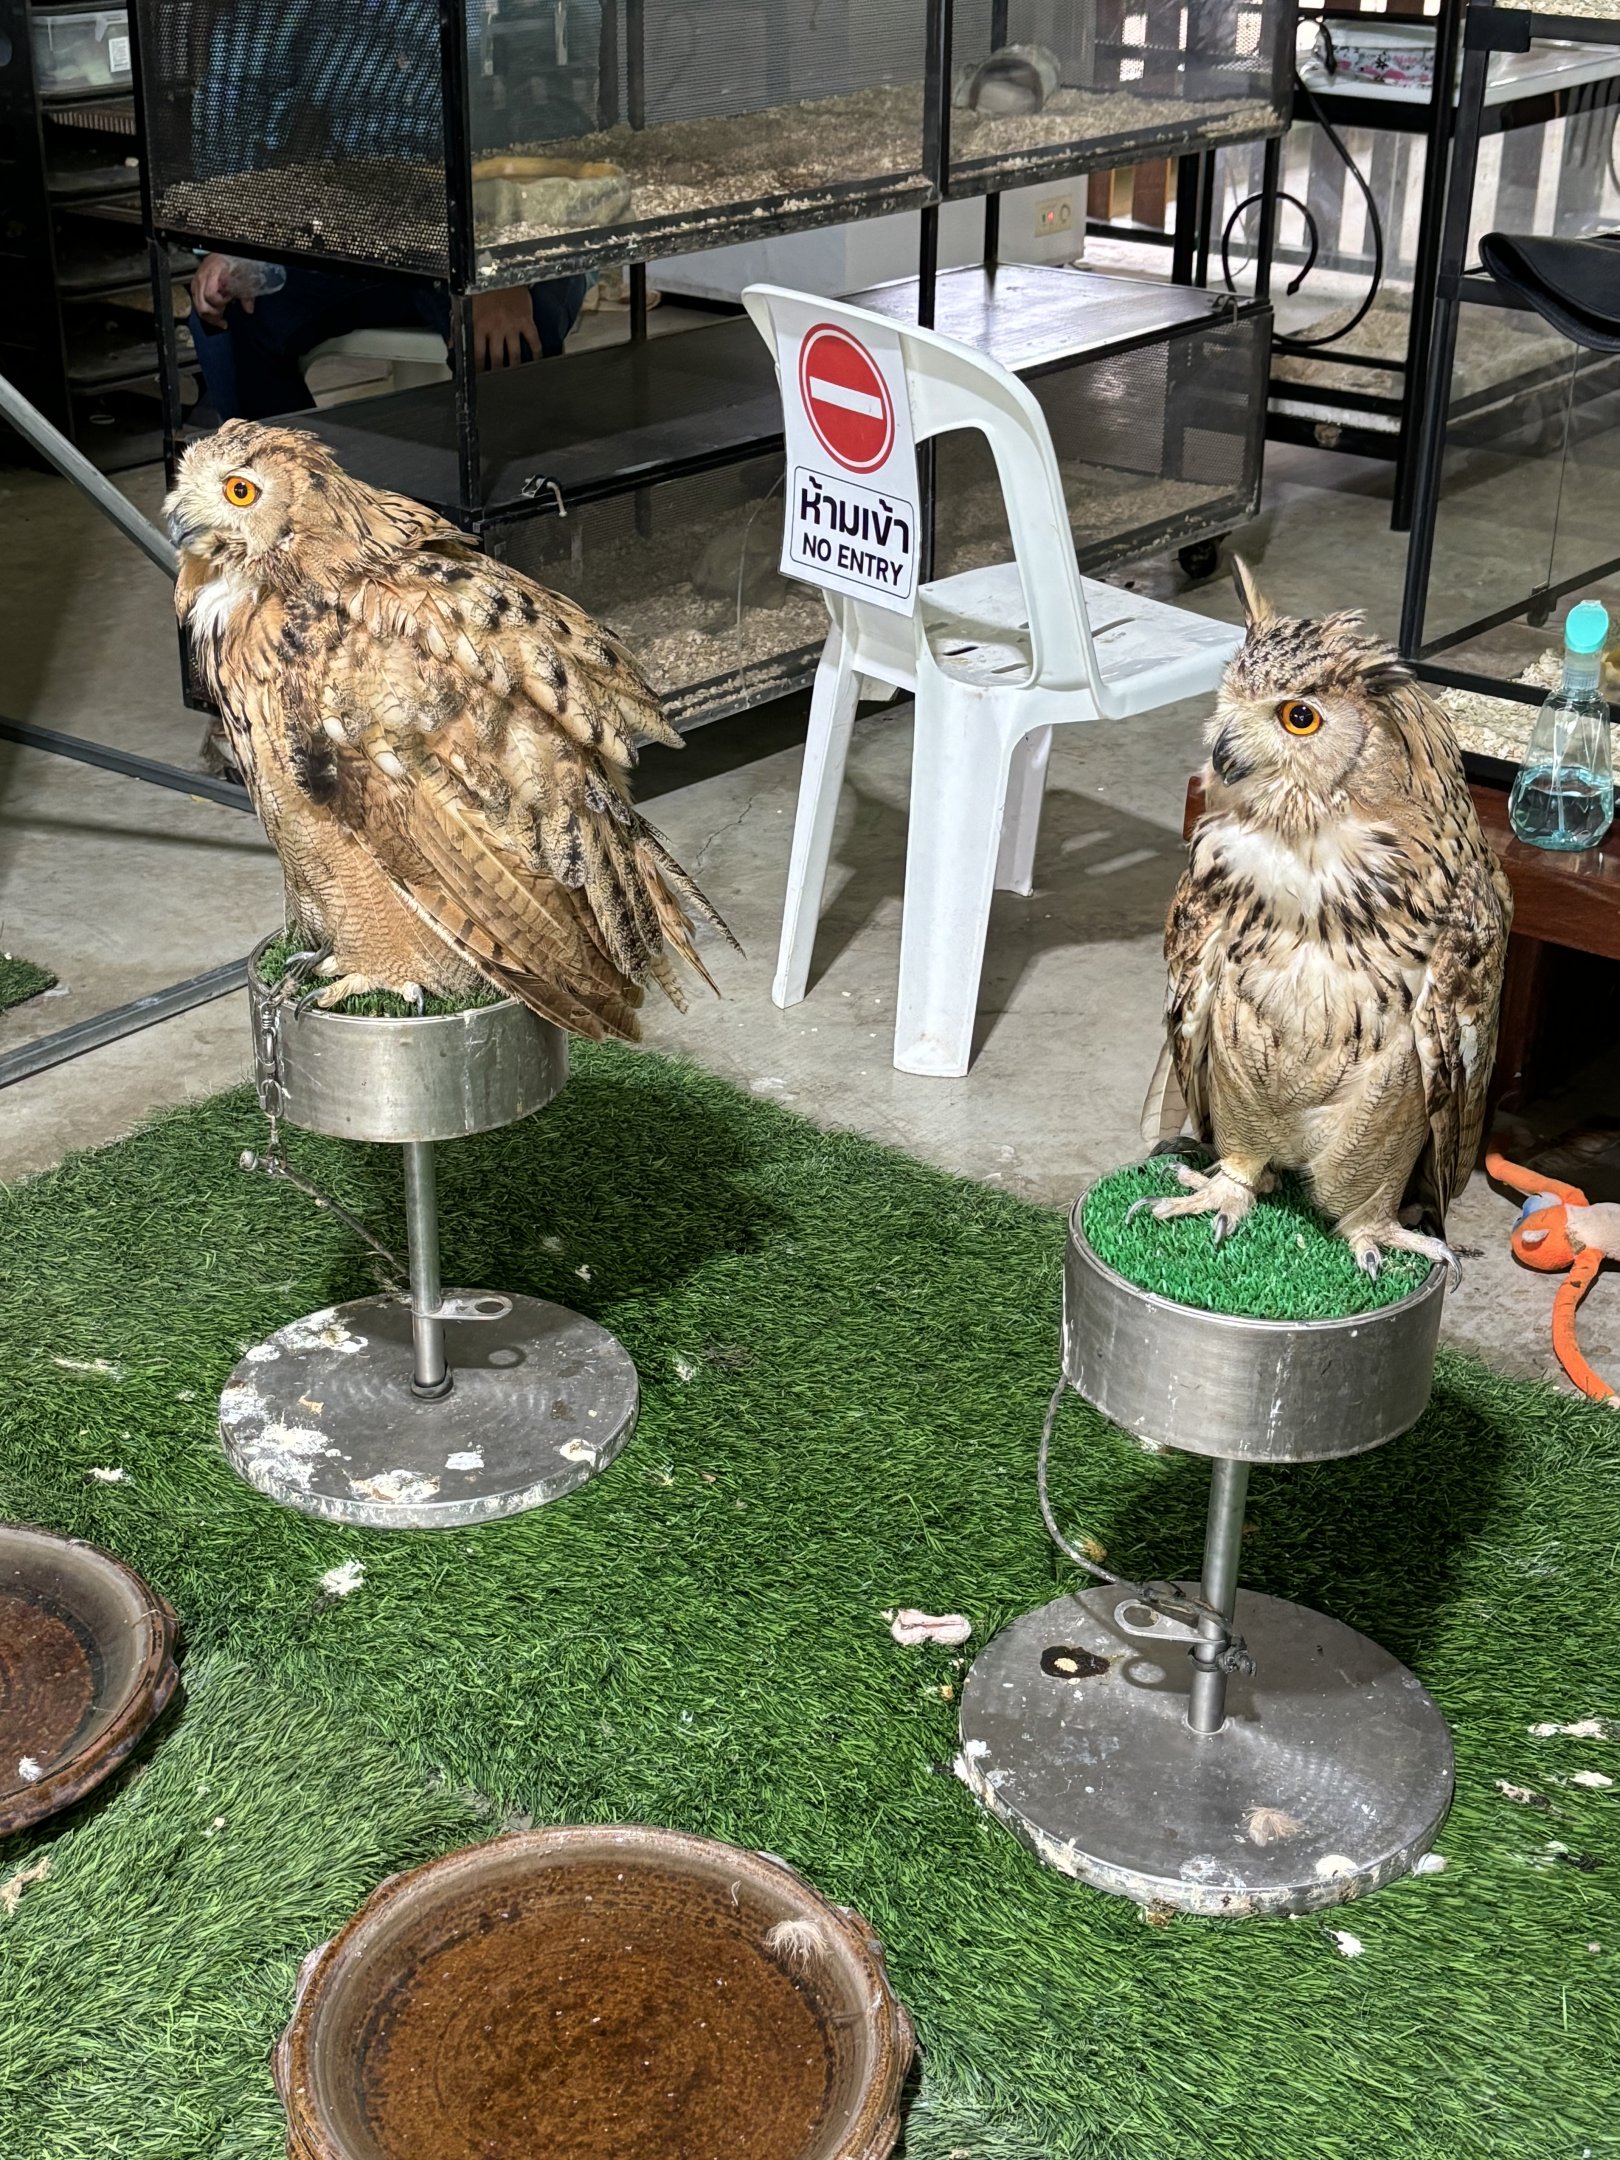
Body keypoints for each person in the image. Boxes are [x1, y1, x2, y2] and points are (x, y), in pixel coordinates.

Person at [186, 0, 596, 420]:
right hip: (365, 229)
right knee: (228, 312)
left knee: (514, 336)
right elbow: (235, 90)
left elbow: (552, 117)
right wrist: (234, 239)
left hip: (498, 221)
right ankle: (296, 481)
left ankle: (509, 480)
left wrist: (501, 265)